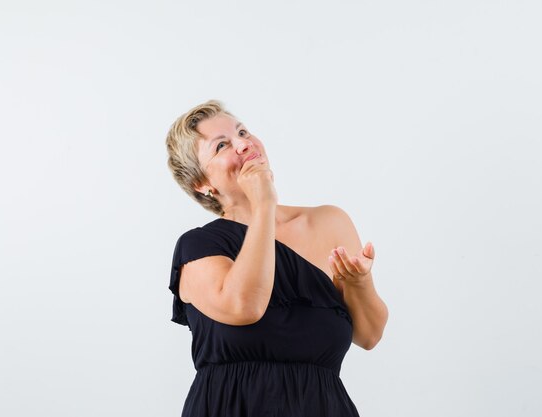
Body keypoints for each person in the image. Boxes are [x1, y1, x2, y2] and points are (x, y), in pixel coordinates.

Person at [165, 99, 389, 416]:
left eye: (242, 131)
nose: (244, 144)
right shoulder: (197, 247)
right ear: (201, 184)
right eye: (222, 145)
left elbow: (369, 335)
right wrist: (264, 204)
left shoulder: (330, 222)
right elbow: (246, 305)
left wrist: (359, 282)